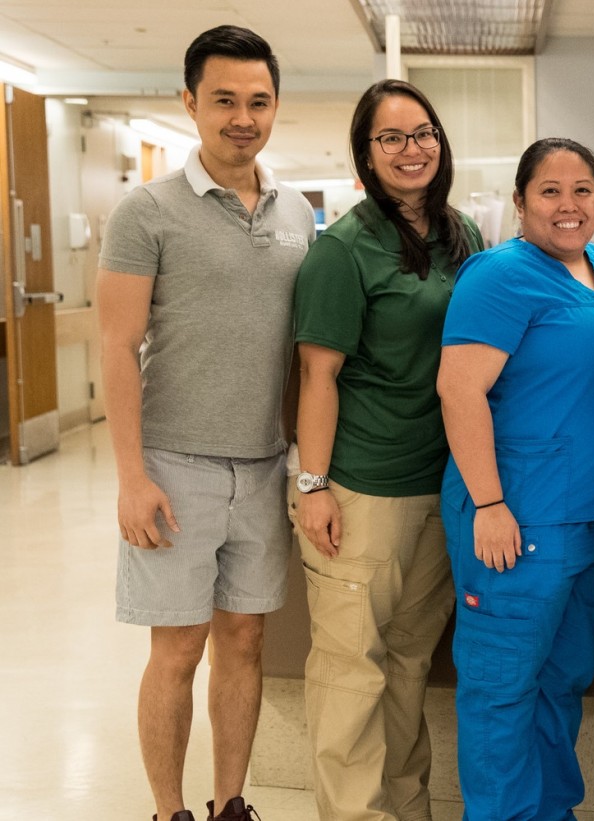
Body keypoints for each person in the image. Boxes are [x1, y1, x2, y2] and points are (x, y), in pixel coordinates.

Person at [96, 25, 314, 821]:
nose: (242, 117)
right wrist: (131, 477)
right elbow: (117, 345)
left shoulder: (297, 212)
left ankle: (230, 804)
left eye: (258, 101)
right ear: (189, 103)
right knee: (178, 648)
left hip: (261, 465)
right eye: (224, 100)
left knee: (245, 642)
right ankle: (167, 810)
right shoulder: (145, 210)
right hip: (173, 465)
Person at [289, 79, 483, 821]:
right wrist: (313, 485)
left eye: (424, 132)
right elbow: (318, 374)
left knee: (406, 669)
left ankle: (408, 811)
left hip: (442, 487)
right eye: (392, 138)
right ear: (366, 156)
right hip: (362, 490)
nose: (413, 149)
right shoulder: (343, 249)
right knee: (350, 675)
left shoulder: (462, 233)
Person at [437, 137, 594, 821]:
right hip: (516, 518)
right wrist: (489, 503)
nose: (569, 204)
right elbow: (459, 392)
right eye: (550, 190)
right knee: (502, 689)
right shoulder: (499, 276)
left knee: (562, 682)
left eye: (583, 188)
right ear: (520, 202)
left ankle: (550, 813)